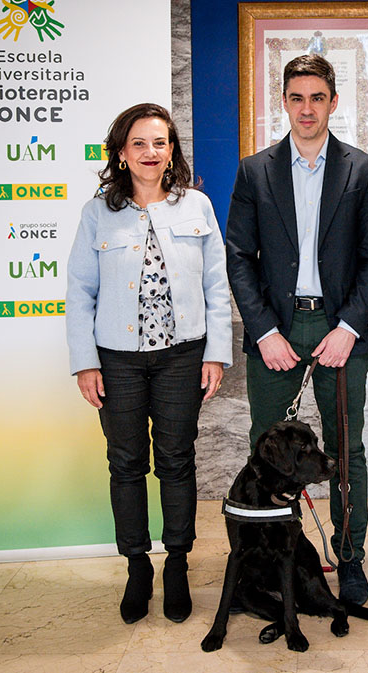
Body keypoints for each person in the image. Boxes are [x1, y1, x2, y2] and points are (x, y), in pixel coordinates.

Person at [225, 54, 368, 605]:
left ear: (334, 102)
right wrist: (266, 330)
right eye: (296, 97)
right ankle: (266, 566)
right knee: (266, 452)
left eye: (317, 97)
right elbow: (239, 257)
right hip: (275, 327)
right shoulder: (255, 171)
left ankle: (349, 558)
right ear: (284, 102)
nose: (306, 108)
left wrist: (348, 326)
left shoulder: (363, 170)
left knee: (346, 451)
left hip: (338, 327)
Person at [66, 102, 232, 625]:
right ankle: (138, 566)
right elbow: (79, 292)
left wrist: (217, 353)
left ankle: (177, 563)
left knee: (178, 461)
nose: (150, 153)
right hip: (116, 360)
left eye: (160, 142)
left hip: (183, 356)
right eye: (139, 143)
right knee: (127, 463)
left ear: (172, 150)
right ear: (121, 153)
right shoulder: (98, 212)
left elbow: (215, 285)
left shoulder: (197, 206)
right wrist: (84, 362)